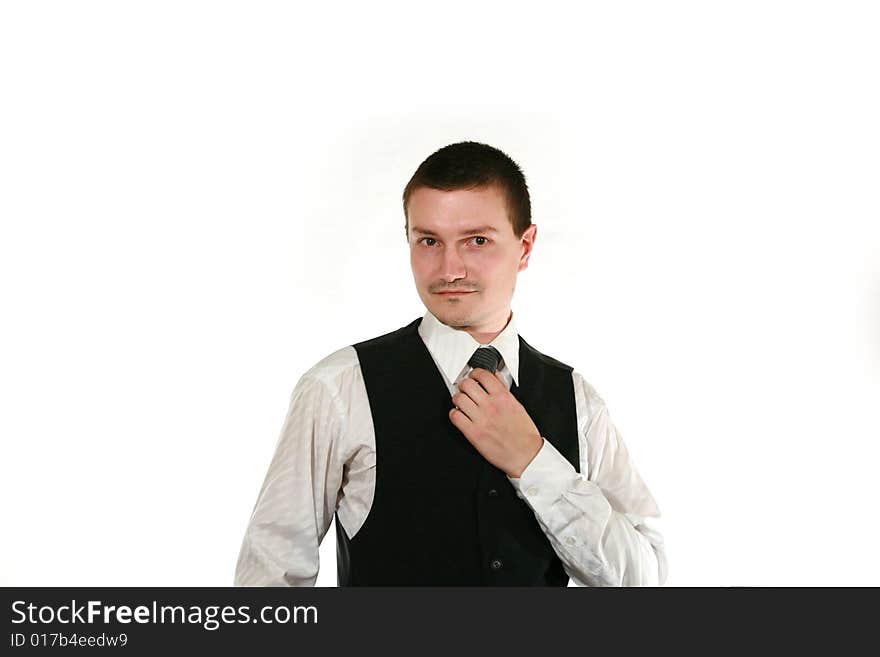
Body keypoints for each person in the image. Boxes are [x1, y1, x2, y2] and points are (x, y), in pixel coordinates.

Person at [234, 141, 666, 586]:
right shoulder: (339, 388)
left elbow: (644, 580)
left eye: (477, 241)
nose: (449, 269)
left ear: (525, 246)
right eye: (429, 241)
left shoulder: (577, 400)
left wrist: (532, 461)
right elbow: (271, 575)